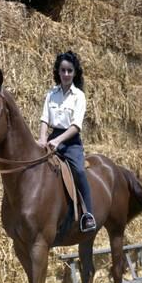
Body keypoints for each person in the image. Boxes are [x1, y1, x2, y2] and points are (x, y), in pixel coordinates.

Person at [38, 51, 96, 232]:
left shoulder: (79, 96)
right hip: (51, 137)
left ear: (75, 73)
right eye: (63, 70)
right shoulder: (51, 94)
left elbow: (76, 126)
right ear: (58, 71)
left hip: (70, 141)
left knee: (78, 170)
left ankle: (88, 214)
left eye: (69, 71)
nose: (66, 74)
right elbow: (45, 119)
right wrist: (42, 138)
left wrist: (58, 140)